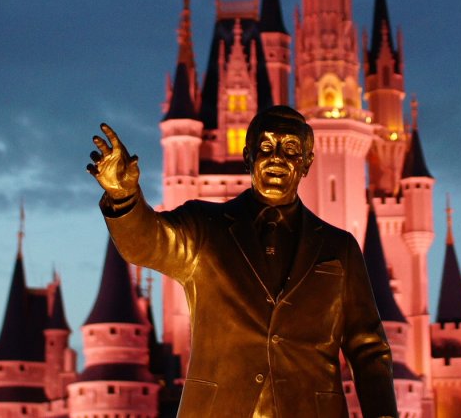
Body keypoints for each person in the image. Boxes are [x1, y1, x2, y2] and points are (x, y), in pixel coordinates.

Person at [88, 105, 397, 418]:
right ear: (247, 155)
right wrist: (123, 196)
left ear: (307, 163)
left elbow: (368, 347)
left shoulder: (339, 247)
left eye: (290, 149)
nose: (277, 157)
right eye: (266, 147)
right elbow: (147, 244)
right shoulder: (205, 227)